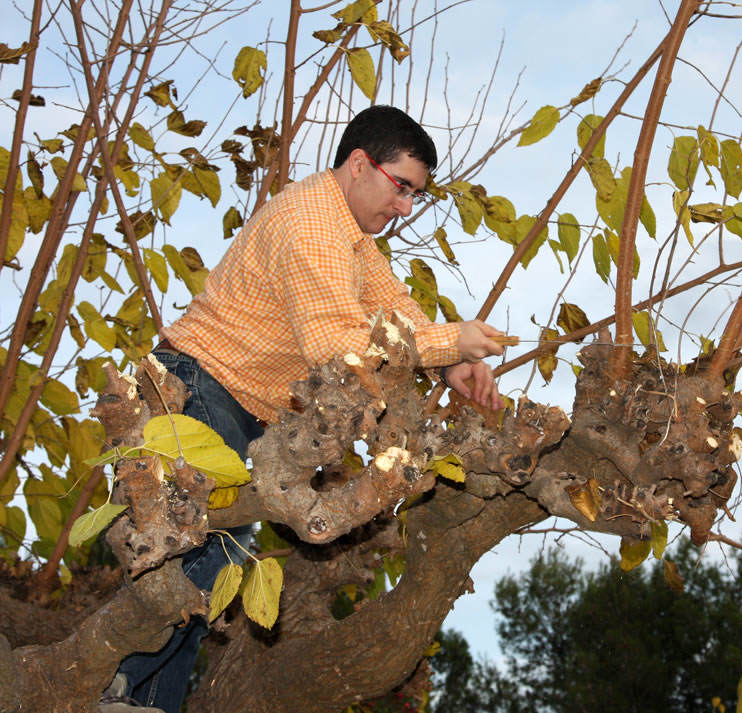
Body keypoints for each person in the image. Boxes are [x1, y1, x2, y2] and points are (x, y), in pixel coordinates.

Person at [99, 106, 506, 713]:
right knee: (197, 550)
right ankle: (118, 686)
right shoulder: (312, 225)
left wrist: (448, 361)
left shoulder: (345, 228)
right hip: (199, 387)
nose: (405, 209)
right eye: (403, 189)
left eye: (416, 196)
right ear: (360, 165)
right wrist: (453, 342)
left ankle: (141, 703)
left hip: (234, 402)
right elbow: (338, 348)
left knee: (210, 559)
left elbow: (390, 302)